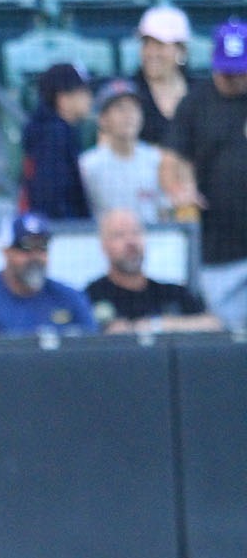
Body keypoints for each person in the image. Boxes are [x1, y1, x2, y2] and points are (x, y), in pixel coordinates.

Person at [161, 19, 247, 332]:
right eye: (227, 70)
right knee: (224, 334)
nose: (233, 79)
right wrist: (179, 188)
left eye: (240, 71)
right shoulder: (196, 103)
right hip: (219, 248)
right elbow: (171, 160)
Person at [0, 212, 96, 336]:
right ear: (6, 252)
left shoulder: (68, 297)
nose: (35, 256)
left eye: (42, 247)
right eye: (26, 248)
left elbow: (91, 349)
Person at [86, 207, 220, 334]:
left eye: (135, 232)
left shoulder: (172, 293)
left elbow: (213, 324)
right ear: (104, 245)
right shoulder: (91, 296)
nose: (130, 241)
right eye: (120, 235)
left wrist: (159, 325)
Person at [78, 79, 166, 223]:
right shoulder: (87, 165)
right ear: (103, 119)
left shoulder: (156, 160)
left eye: (134, 108)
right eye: (120, 108)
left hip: (153, 240)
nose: (128, 115)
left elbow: (165, 213)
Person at [20, 63, 92, 221]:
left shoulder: (54, 131)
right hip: (60, 234)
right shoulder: (53, 136)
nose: (90, 98)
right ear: (63, 99)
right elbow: (51, 196)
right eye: (83, 92)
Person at [133, 5, 191, 146]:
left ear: (181, 50)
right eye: (146, 44)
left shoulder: (200, 92)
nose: (151, 52)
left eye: (160, 45)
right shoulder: (130, 92)